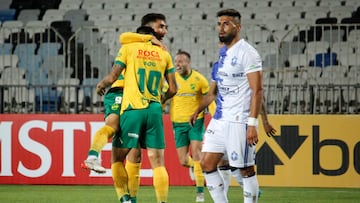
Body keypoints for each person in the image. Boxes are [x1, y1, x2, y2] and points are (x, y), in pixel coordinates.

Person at [82, 13, 169, 203]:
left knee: (135, 155)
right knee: (113, 128)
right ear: (150, 28)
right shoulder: (142, 46)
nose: (164, 31)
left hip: (137, 102)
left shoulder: (155, 50)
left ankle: (130, 199)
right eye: (161, 27)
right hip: (122, 92)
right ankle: (93, 156)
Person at [189, 9, 263, 203]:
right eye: (219, 24)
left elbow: (257, 90)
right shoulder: (222, 55)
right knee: (206, 163)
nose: (221, 28)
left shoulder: (248, 53)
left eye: (226, 24)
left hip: (239, 119)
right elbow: (212, 92)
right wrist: (197, 109)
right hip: (220, 119)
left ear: (238, 27)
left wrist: (252, 123)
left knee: (245, 169)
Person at [169, 51, 216, 202]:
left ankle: (200, 193)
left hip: (196, 122)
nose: (177, 64)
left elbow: (209, 99)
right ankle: (195, 167)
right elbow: (164, 97)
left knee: (196, 153)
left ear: (188, 63)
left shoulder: (199, 79)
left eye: (180, 62)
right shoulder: (171, 80)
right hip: (178, 123)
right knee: (183, 161)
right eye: (176, 62)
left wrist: (215, 118)